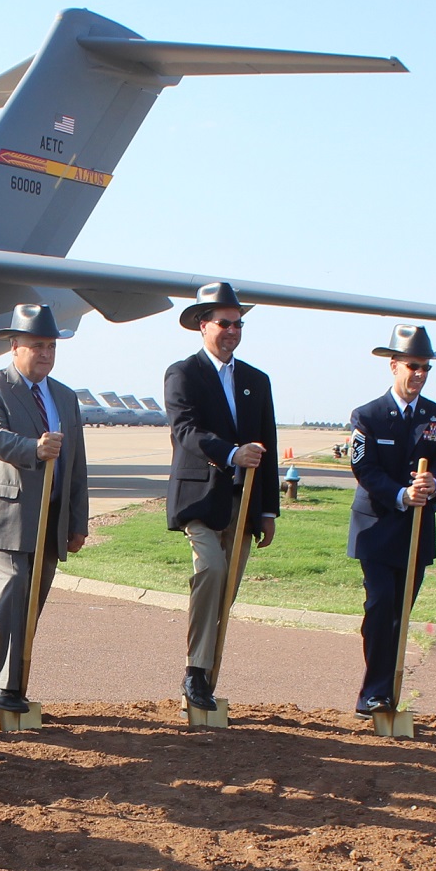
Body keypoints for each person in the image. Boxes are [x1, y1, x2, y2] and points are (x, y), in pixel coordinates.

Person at [0, 305, 90, 714]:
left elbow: (77, 465)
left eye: (51, 346)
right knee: (9, 598)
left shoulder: (66, 397)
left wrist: (76, 520)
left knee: (31, 602)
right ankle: (3, 688)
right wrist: (33, 449)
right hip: (6, 514)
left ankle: (16, 686)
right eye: (37, 345)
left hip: (50, 520)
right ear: (15, 346)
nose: (46, 353)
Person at [162, 281, 279, 710]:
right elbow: (186, 431)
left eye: (238, 324)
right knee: (210, 571)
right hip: (200, 498)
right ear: (201, 325)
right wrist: (231, 453)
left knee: (227, 587)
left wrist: (268, 510)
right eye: (224, 323)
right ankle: (194, 671)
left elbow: (266, 442)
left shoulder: (256, 380)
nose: (232, 330)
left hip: (245, 502)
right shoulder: (183, 374)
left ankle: (208, 679)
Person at [345, 325, 436, 715]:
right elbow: (364, 468)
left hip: (417, 530)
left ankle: (383, 690)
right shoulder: (370, 415)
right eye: (413, 366)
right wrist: (400, 494)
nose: (420, 374)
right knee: (380, 605)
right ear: (394, 366)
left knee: (400, 611)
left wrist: (434, 483)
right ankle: (374, 692)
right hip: (377, 528)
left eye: (426, 368)